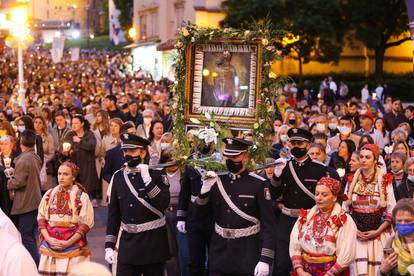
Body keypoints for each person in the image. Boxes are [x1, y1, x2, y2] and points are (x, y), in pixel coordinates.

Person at [194, 137, 276, 276]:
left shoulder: (258, 184)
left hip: (247, 251)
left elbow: (269, 226)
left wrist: (265, 259)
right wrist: (204, 192)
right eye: (228, 157)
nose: (231, 161)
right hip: (219, 250)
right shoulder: (216, 181)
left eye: (235, 157)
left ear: (245, 157)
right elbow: (198, 215)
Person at [271, 128, 340, 275]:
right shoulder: (283, 167)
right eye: (293, 143)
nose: (296, 147)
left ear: (308, 145)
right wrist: (276, 176)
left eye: (300, 143)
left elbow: (332, 197)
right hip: (286, 220)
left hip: (310, 221)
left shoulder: (321, 170)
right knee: (282, 264)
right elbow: (273, 194)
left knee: (307, 263)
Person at [105, 133, 170, 276]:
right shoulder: (119, 177)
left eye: (132, 151)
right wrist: (109, 245)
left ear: (143, 152)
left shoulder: (156, 174)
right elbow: (114, 215)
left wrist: (148, 180)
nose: (128, 154)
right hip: (128, 244)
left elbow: (163, 204)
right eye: (125, 151)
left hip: (153, 244)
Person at [343, 144, 396, 275]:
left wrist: (377, 231)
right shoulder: (351, 180)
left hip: (378, 233)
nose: (363, 160)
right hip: (356, 234)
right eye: (361, 157)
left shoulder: (384, 180)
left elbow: (391, 209)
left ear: (375, 159)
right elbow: (345, 209)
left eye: (367, 157)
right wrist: (354, 230)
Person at [289, 177, 357, 275]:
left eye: (324, 195)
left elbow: (347, 254)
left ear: (334, 197)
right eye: (317, 194)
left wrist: (329, 274)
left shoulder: (344, 220)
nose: (319, 198)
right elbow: (295, 245)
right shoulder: (306, 217)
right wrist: (300, 271)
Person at [37, 162, 94, 275]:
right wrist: (48, 239)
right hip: (50, 246)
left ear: (73, 177)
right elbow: (41, 218)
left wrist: (67, 243)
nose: (61, 177)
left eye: (65, 174)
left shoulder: (82, 196)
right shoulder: (49, 193)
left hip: (73, 247)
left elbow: (85, 224)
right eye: (59, 174)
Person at [6, 130, 42, 265]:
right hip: (34, 200)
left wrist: (9, 181)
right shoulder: (34, 156)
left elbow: (19, 181)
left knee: (26, 236)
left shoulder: (24, 159)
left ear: (21, 142)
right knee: (31, 236)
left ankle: (35, 264)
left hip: (26, 202)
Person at [160, 147, 189, 276]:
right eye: (169, 160)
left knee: (184, 250)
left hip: (180, 214)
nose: (172, 163)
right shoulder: (159, 174)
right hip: (164, 214)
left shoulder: (184, 173)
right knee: (169, 251)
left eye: (174, 160)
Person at [62, 115, 99, 205]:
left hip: (87, 165)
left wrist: (80, 141)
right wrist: (65, 152)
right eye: (72, 123)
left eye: (76, 123)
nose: (73, 125)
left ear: (82, 123)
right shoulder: (70, 134)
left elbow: (91, 146)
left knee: (87, 188)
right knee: (75, 189)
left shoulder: (89, 134)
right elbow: (63, 147)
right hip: (74, 165)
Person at [379, 199, 414, 275]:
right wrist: (383, 270)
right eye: (399, 220)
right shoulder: (392, 242)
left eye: (407, 221)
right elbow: (381, 272)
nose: (403, 224)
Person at [0, 207, 38, 276]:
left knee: (27, 236)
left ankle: (37, 261)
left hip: (26, 208)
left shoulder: (16, 258)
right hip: (23, 208)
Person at [34, 116, 55, 192]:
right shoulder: (31, 136)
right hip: (33, 165)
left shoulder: (48, 137)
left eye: (40, 123)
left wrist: (44, 160)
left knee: (46, 191)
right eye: (36, 122)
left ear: (43, 125)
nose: (37, 124)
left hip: (46, 165)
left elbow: (51, 152)